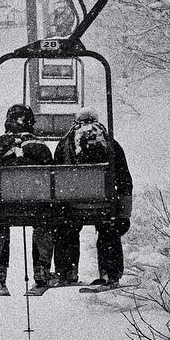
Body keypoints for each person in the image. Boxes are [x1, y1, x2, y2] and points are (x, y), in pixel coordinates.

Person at [0, 104, 56, 296]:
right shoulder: (41, 146)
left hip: (6, 208)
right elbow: (53, 179)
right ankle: (42, 274)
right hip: (37, 208)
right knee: (45, 222)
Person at [52, 108, 133, 287]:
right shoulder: (111, 143)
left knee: (67, 230)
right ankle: (110, 273)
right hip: (104, 205)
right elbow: (125, 180)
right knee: (108, 230)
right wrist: (123, 214)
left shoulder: (65, 143)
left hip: (73, 206)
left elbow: (56, 178)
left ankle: (67, 272)